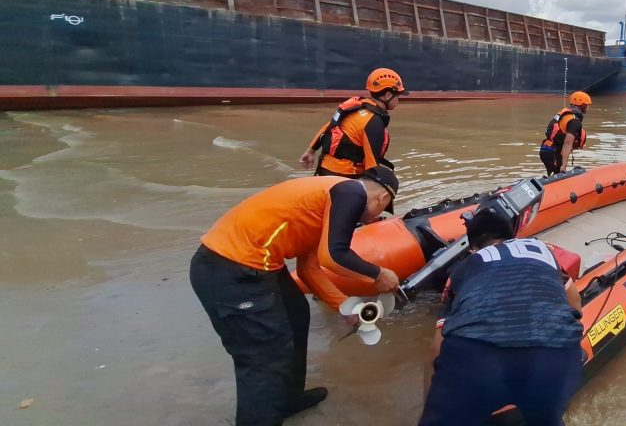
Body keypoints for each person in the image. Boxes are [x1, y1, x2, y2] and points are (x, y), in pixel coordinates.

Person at [189, 166, 402, 426]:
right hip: (230, 268)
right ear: (382, 198)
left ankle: (287, 398)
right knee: (264, 353)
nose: (374, 220)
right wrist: (377, 274)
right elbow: (334, 256)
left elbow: (309, 268)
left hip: (257, 265)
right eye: (384, 209)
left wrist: (346, 307)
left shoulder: (330, 202)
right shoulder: (351, 192)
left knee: (296, 315)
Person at [419, 210, 584, 426]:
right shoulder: (544, 252)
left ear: (472, 248)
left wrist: (432, 406)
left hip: (478, 359)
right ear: (512, 235)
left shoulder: (463, 270)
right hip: (553, 357)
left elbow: (437, 350)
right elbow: (574, 303)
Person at [299, 68, 409, 177]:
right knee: (388, 182)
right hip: (345, 176)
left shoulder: (354, 107)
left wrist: (310, 151)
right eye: (398, 96)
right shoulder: (374, 122)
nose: (398, 100)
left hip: (323, 170)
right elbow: (372, 167)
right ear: (388, 95)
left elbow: (329, 127)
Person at [539, 91, 591, 176]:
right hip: (553, 153)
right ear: (583, 105)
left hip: (547, 149)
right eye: (587, 105)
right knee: (558, 174)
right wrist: (564, 165)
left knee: (554, 175)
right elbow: (567, 143)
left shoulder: (566, 115)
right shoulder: (575, 121)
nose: (588, 108)